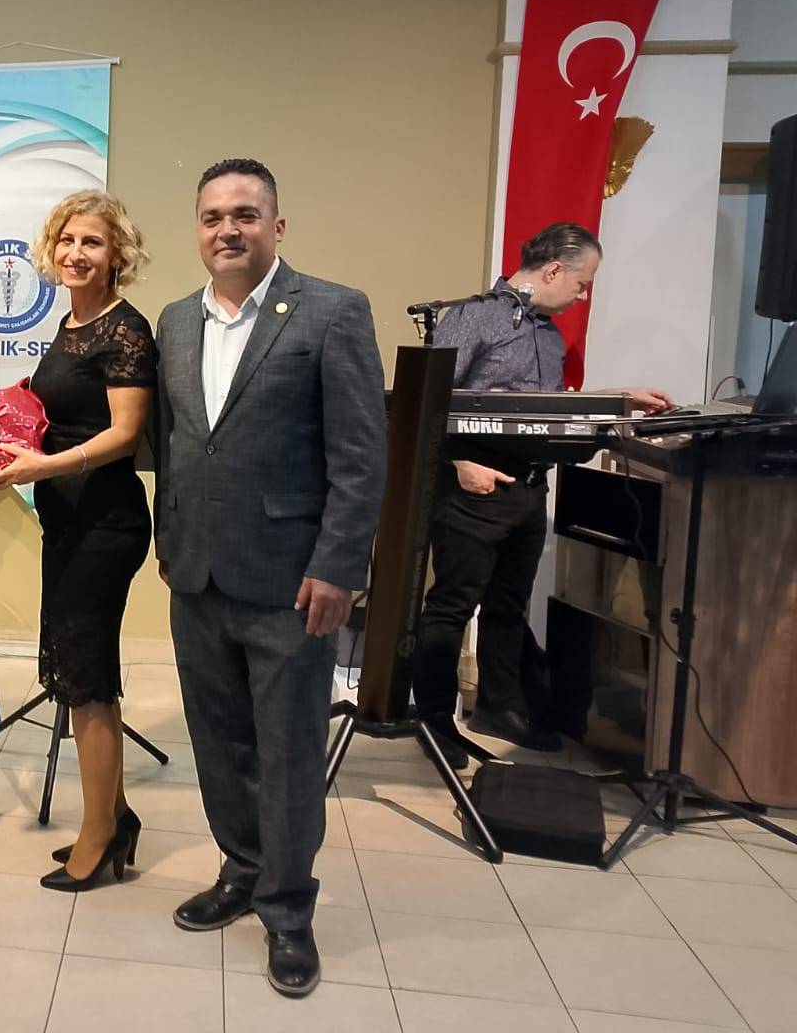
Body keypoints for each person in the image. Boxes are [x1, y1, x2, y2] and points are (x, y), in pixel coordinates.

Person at [154, 158, 385, 998]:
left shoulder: (332, 311)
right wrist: (168, 542)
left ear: (276, 226)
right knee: (220, 744)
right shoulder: (176, 321)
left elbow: (361, 456)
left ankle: (288, 913)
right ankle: (242, 870)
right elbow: (179, 444)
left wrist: (339, 566)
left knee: (287, 754)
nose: (228, 229)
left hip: (292, 583)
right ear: (198, 228)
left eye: (245, 215)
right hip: (198, 575)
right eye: (213, 216)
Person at [413, 221, 672, 766]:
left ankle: (499, 707)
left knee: (508, 607)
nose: (583, 296)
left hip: (529, 492)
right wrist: (459, 463)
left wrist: (618, 399)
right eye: (581, 283)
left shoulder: (549, 337)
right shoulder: (474, 317)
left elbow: (546, 413)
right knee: (451, 606)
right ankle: (433, 720)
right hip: (473, 489)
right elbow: (428, 402)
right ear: (553, 270)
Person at [0, 191, 158, 892]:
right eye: (66, 240)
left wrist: (46, 467)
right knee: (77, 671)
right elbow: (66, 410)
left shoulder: (125, 330)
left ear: (117, 254)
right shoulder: (71, 324)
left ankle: (99, 837)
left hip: (106, 524)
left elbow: (124, 435)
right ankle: (114, 815)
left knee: (88, 683)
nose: (75, 253)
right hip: (67, 520)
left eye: (92, 242)